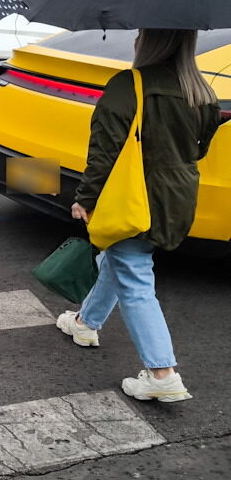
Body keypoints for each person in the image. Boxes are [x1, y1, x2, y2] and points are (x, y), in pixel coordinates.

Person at [57, 28, 219, 404]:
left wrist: (86, 197)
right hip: (178, 196)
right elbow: (199, 148)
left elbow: (104, 148)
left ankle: (162, 372)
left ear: (149, 42)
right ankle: (85, 324)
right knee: (124, 260)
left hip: (133, 195)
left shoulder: (130, 84)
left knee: (134, 278)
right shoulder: (202, 91)